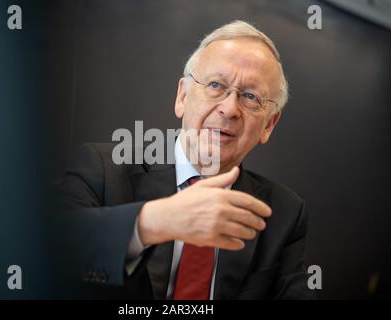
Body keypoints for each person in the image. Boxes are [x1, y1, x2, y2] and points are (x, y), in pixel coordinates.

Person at [55, 20, 315, 299]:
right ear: (182, 96)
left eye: (250, 96)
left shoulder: (282, 213)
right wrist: (152, 222)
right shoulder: (104, 168)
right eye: (216, 85)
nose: (229, 108)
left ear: (268, 125)